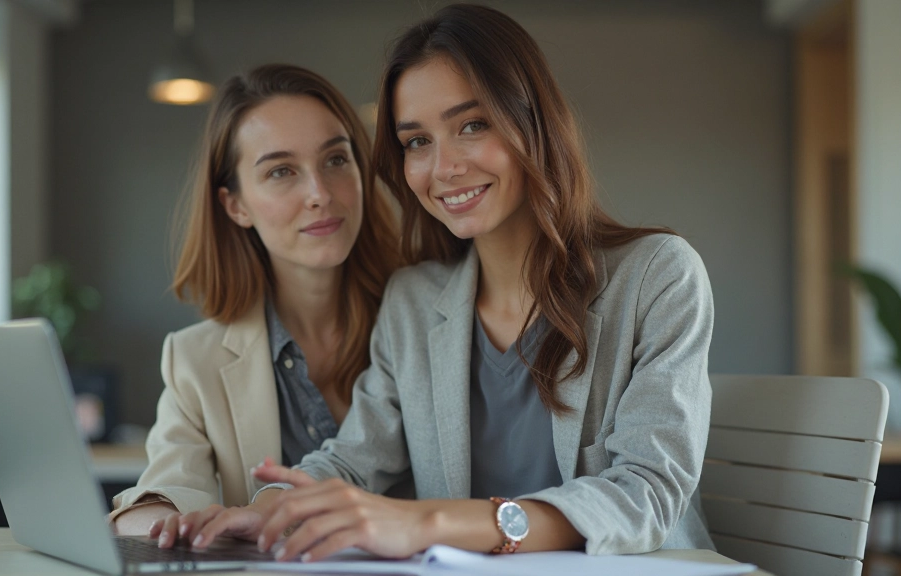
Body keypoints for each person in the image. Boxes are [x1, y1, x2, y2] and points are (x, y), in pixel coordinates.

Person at [166, 3, 715, 558]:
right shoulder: (413, 301)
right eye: (417, 142)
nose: (443, 167)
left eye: (472, 125)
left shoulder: (656, 277)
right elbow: (353, 457)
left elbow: (646, 493)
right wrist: (261, 511)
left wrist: (430, 522)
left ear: (534, 122)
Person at [109, 64, 400, 541]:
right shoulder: (195, 359)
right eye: (282, 171)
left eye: (336, 159)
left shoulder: (427, 320)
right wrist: (157, 523)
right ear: (235, 205)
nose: (320, 194)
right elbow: (167, 490)